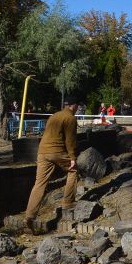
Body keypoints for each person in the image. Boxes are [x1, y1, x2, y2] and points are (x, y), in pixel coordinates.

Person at [24, 95, 79, 233]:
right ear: (73, 106)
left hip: (42, 151)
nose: (77, 109)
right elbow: (70, 140)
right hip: (57, 151)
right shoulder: (70, 118)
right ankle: (68, 203)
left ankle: (30, 215)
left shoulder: (54, 115)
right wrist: (72, 157)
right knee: (73, 171)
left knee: (40, 183)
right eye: (77, 107)